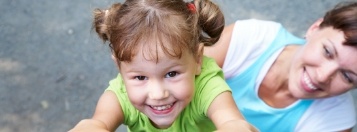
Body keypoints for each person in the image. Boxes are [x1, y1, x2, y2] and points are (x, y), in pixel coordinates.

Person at [69, 0, 257, 131]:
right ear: (119, 67)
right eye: (140, 77)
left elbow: (232, 120)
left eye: (172, 74)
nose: (158, 94)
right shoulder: (119, 96)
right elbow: (97, 122)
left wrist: (235, 126)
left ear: (198, 60)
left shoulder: (207, 87)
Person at [204, 1, 357, 132]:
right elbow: (183, 76)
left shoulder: (336, 120)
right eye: (327, 52)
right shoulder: (251, 38)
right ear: (315, 29)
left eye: (346, 76)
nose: (322, 76)